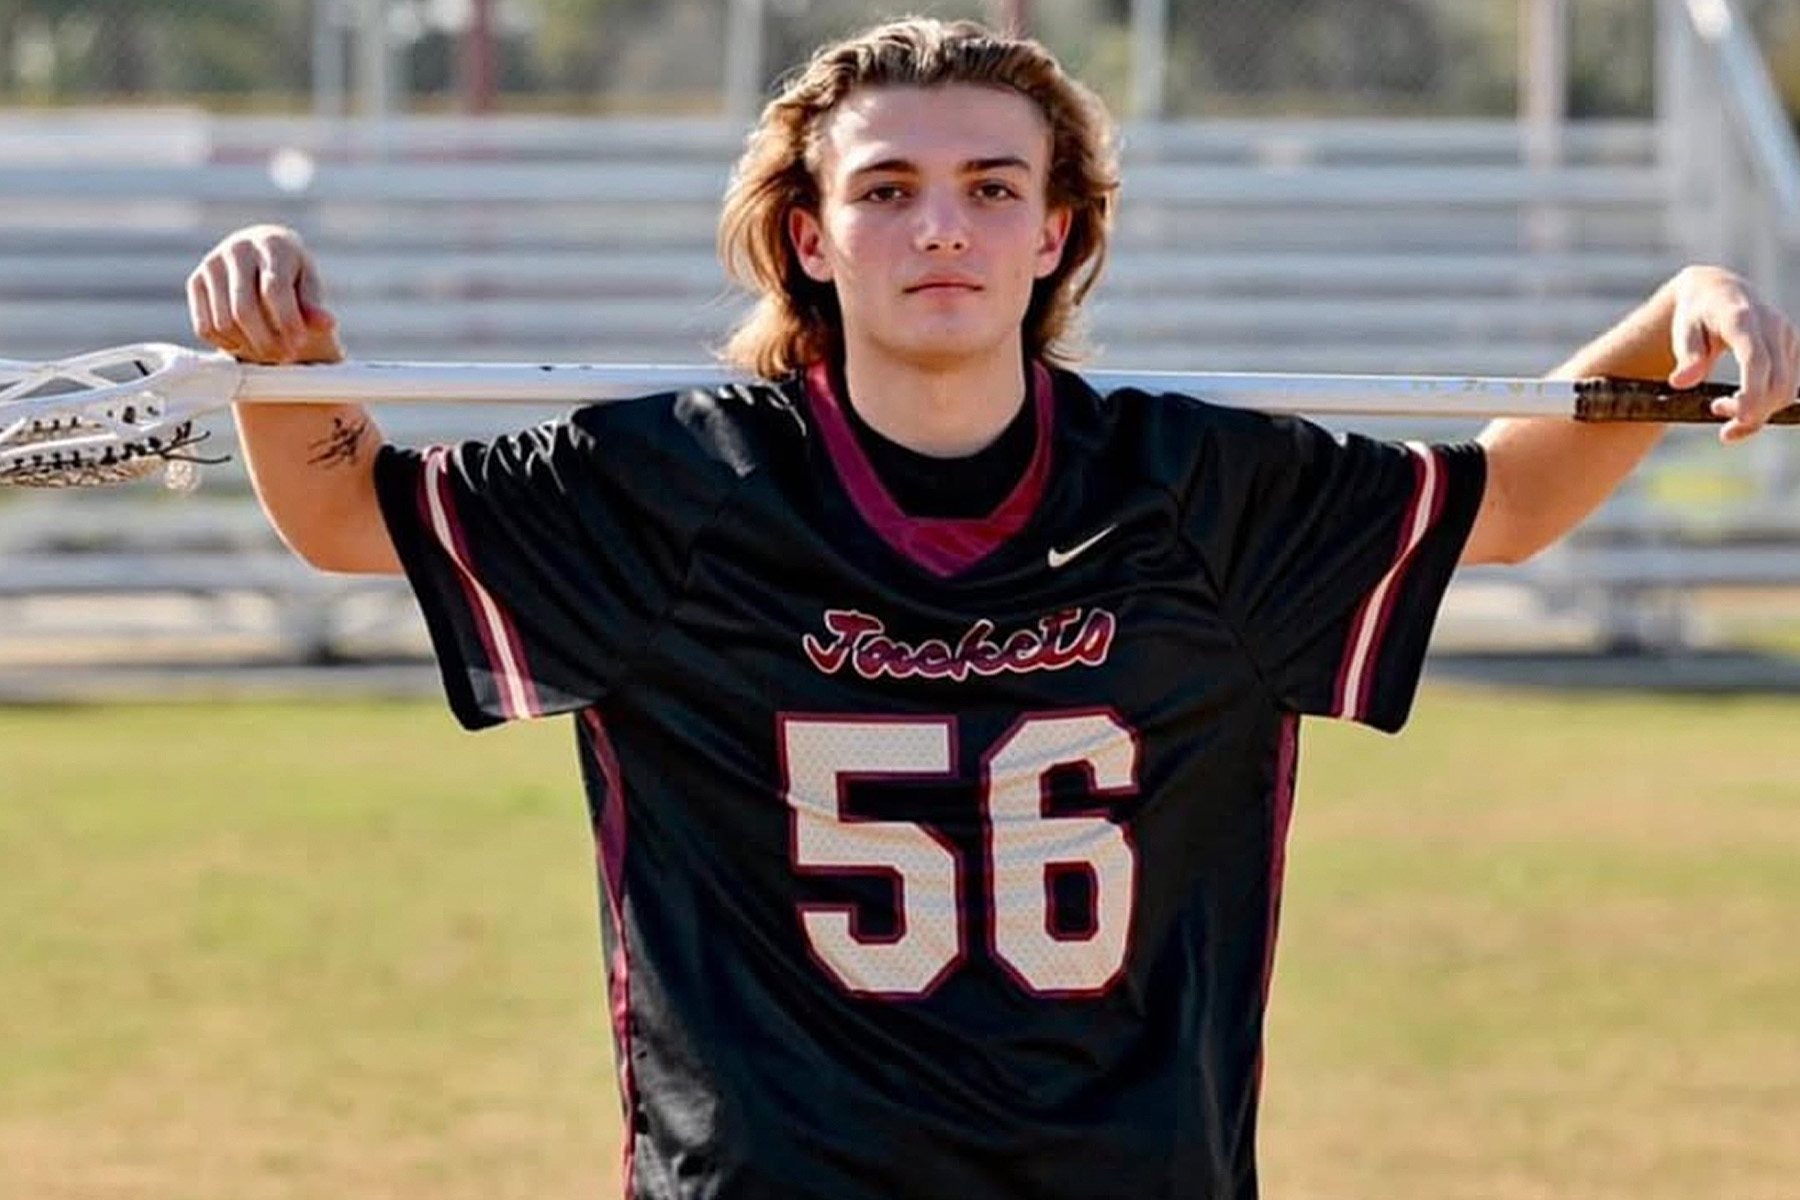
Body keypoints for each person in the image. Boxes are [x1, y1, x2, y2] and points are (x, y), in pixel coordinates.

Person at [184, 17, 1797, 1200]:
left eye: (989, 185)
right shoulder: (672, 483)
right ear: (811, 237)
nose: (940, 222)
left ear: (1059, 229)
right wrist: (281, 361)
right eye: (887, 188)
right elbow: (344, 515)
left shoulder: (1192, 484)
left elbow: (1508, 501)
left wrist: (1672, 319)